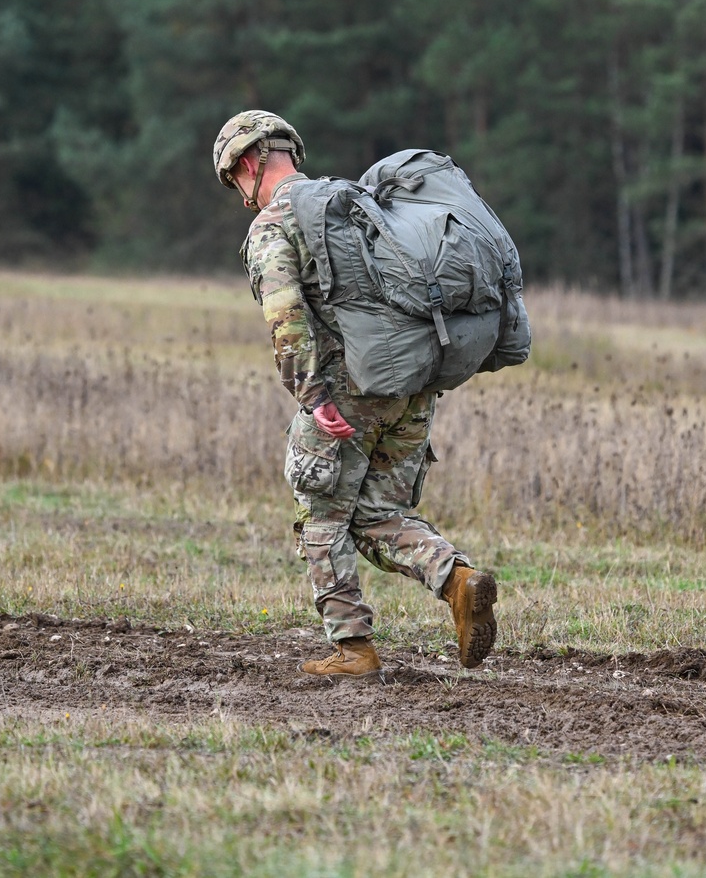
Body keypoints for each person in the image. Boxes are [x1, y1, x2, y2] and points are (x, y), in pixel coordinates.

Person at [213, 109, 497, 678]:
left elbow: (285, 315)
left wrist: (312, 394)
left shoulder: (276, 223)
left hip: (346, 392)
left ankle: (353, 650)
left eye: (235, 181)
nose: (240, 195)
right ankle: (457, 579)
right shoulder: (351, 206)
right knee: (376, 514)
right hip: (413, 385)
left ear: (249, 162)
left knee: (321, 515)